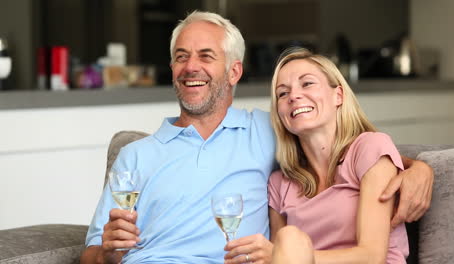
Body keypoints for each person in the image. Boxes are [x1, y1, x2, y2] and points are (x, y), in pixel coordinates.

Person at [81, 11, 433, 264]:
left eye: (206, 56)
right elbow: (92, 255)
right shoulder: (135, 155)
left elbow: (353, 147)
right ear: (173, 69)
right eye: (181, 57)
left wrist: (420, 169)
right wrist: (108, 254)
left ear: (234, 71)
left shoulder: (266, 131)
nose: (191, 67)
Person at [224, 48, 411, 264]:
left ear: (338, 95)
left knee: (289, 239)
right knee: (288, 239)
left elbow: (371, 256)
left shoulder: (369, 149)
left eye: (307, 83)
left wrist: (294, 256)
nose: (293, 96)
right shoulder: (279, 184)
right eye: (282, 93)